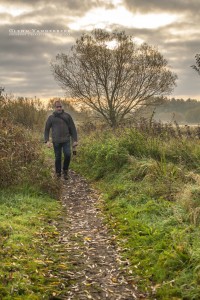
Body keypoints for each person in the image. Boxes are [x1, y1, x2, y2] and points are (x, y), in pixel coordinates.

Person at [44, 100, 78, 179]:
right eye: (57, 107)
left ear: (62, 107)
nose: (59, 108)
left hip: (66, 140)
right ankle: (58, 173)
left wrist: (75, 140)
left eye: (60, 107)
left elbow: (73, 128)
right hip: (56, 141)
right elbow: (46, 129)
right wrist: (47, 141)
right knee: (58, 157)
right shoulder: (51, 118)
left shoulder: (67, 116)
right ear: (54, 108)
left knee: (68, 155)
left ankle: (65, 171)